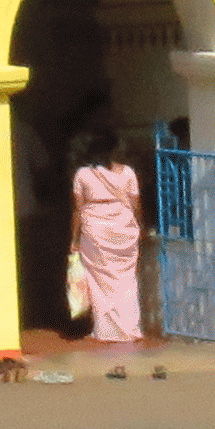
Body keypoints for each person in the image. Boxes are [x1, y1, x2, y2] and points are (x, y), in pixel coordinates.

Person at [67, 127, 145, 349]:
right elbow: (136, 205)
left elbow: (78, 210)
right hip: (124, 228)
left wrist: (74, 239)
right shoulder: (128, 172)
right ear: (115, 149)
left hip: (96, 230)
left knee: (99, 280)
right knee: (126, 279)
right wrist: (140, 227)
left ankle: (106, 330)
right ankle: (130, 329)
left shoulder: (82, 174)